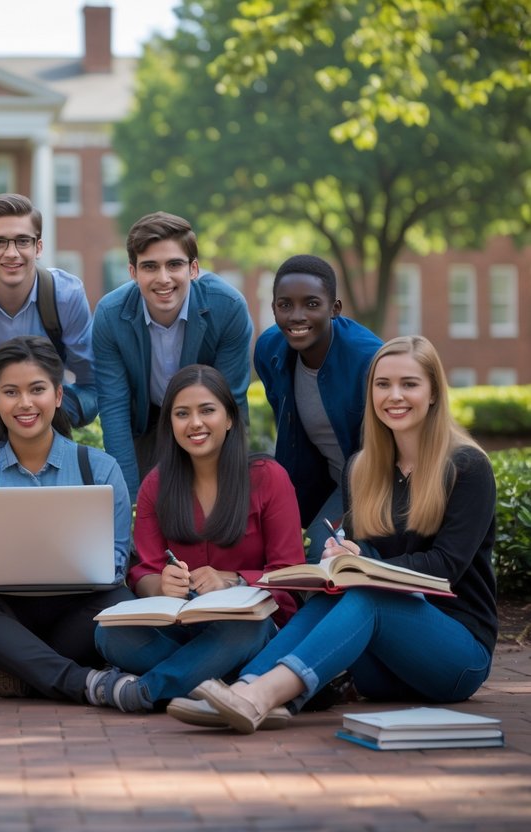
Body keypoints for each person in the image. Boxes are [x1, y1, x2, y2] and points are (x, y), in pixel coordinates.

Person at [170, 336, 498, 734]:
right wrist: (344, 556)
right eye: (382, 384)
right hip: (380, 667)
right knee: (342, 589)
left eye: (409, 384)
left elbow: (445, 568)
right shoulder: (363, 468)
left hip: (454, 658)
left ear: (432, 393)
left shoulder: (466, 467)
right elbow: (366, 553)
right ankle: (247, 685)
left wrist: (365, 567)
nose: (394, 395)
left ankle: (262, 697)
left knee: (370, 592)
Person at [89, 365, 305, 713]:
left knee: (245, 632)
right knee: (109, 634)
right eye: (182, 413)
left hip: (255, 625)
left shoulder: (268, 479)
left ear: (230, 418)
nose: (195, 423)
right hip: (183, 627)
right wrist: (160, 585)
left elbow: (291, 572)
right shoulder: (155, 486)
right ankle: (218, 681)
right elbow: (143, 571)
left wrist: (232, 580)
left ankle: (146, 691)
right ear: (170, 423)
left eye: (207, 410)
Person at [0, 336, 135, 703]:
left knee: (121, 601)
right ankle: (82, 683)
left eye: (37, 390)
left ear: (58, 395)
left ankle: (20, 673)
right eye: (11, 392)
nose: (25, 403)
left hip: (77, 611)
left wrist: (73, 573)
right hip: (9, 614)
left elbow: (116, 560)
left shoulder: (99, 469)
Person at [92, 211, 253, 501]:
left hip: (204, 417)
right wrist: (130, 507)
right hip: (146, 423)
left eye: (174, 265)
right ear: (133, 272)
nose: (163, 279)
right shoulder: (109, 315)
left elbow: (232, 404)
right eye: (150, 267)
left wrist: (228, 488)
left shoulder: (228, 307)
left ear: (193, 268)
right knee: (144, 509)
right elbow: (113, 410)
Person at [254, 254, 383, 561]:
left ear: (334, 308)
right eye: (285, 305)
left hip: (374, 483)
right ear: (273, 309)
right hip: (321, 481)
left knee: (318, 554)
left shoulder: (369, 360)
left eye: (311, 304)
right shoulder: (269, 350)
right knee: (269, 549)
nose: (296, 315)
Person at [0, 194, 97, 428]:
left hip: (46, 426)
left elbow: (91, 382)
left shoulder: (65, 295)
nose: (11, 253)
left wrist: (47, 412)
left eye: (23, 241)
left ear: (39, 247)